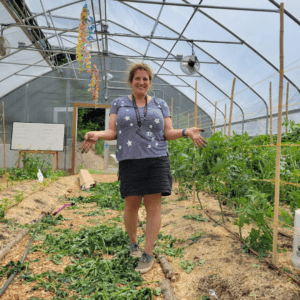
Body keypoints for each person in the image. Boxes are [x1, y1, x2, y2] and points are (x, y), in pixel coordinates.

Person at [81, 62, 206, 274]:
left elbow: (168, 132)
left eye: (145, 79)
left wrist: (186, 131)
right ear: (131, 82)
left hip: (156, 160)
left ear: (149, 82)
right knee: (131, 205)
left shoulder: (160, 104)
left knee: (153, 207)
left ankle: (148, 253)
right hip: (130, 160)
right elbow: (112, 132)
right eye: (137, 78)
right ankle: (133, 243)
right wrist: (97, 134)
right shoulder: (119, 103)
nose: (141, 82)